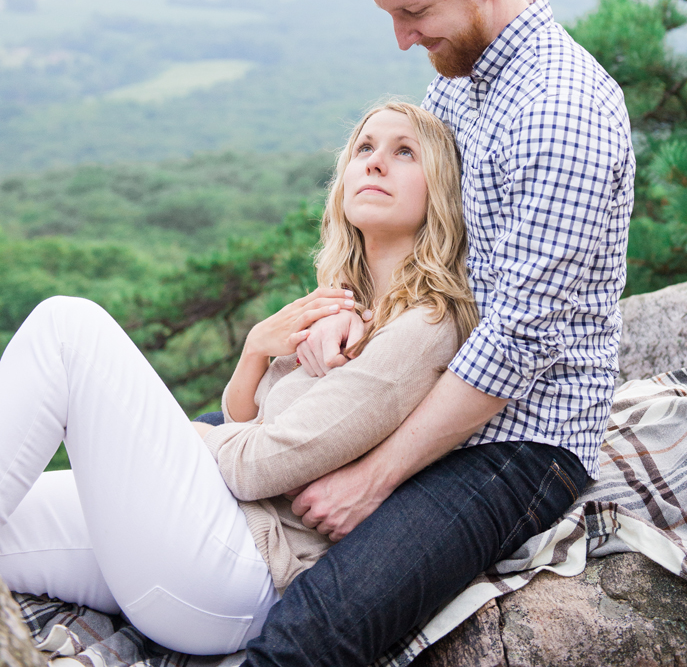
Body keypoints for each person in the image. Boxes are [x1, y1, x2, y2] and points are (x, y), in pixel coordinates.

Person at [243, 0, 636, 667]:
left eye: (414, 11)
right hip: (411, 384)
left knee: (314, 628)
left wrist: (375, 476)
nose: (402, 37)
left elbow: (516, 345)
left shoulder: (562, 112)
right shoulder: (462, 89)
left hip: (516, 440)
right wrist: (351, 307)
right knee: (197, 452)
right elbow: (409, 233)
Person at [0, 102, 477, 657]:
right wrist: (254, 352)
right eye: (365, 148)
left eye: (404, 153)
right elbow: (247, 424)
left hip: (236, 569)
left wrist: (193, 439)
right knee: (14, 517)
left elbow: (257, 468)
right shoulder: (342, 304)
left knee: (69, 327)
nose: (374, 164)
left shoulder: (425, 326)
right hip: (194, 539)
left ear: (438, 191)